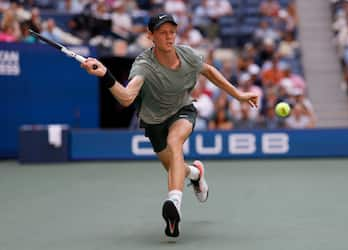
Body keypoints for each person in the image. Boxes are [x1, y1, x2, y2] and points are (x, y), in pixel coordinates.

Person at [81, 13, 258, 238]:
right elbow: (126, 98)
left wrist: (239, 94)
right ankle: (195, 173)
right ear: (151, 36)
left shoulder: (187, 55)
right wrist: (105, 75)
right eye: (163, 33)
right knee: (177, 168)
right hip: (154, 122)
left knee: (175, 142)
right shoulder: (144, 65)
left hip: (182, 111)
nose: (169, 37)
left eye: (172, 32)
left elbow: (209, 71)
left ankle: (173, 203)